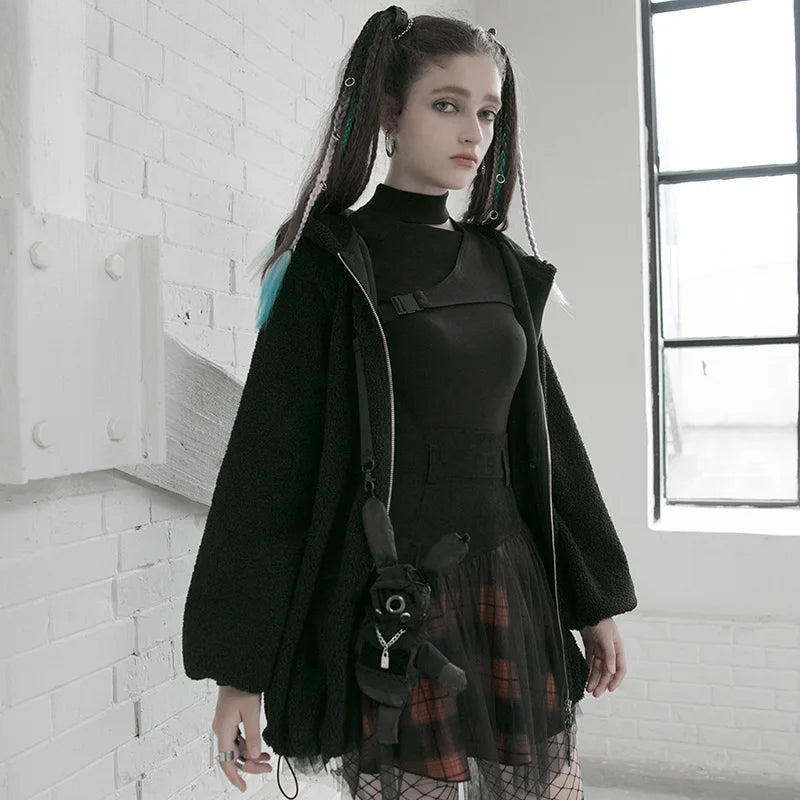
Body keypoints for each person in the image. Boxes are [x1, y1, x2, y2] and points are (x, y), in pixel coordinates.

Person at [181, 7, 638, 800]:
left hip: (510, 586)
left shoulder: (499, 262)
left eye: (488, 112)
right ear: (389, 113)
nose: (474, 132)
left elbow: (546, 444)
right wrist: (237, 674)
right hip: (390, 601)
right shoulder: (330, 263)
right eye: (447, 104)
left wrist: (592, 602)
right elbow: (269, 471)